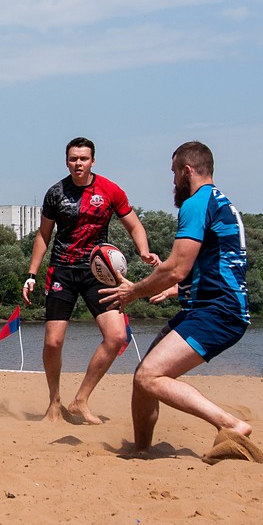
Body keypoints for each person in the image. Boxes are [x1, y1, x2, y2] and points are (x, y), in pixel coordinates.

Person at [101, 141, 252, 452]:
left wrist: (133, 291)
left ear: (187, 171)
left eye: (173, 174)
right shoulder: (220, 202)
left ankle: (230, 424)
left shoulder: (196, 203)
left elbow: (175, 268)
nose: (172, 182)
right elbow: (215, 261)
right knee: (142, 379)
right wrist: (177, 290)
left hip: (218, 311)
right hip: (207, 306)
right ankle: (141, 450)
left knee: (149, 376)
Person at [23, 137, 160, 424]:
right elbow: (43, 235)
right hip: (62, 269)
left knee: (117, 337)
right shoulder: (56, 193)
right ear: (66, 161)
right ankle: (54, 401)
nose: (78, 164)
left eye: (83, 159)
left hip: (99, 271)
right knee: (53, 342)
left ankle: (81, 400)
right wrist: (32, 274)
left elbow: (134, 224)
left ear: (92, 161)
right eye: (73, 159)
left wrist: (144, 252)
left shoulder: (110, 190)